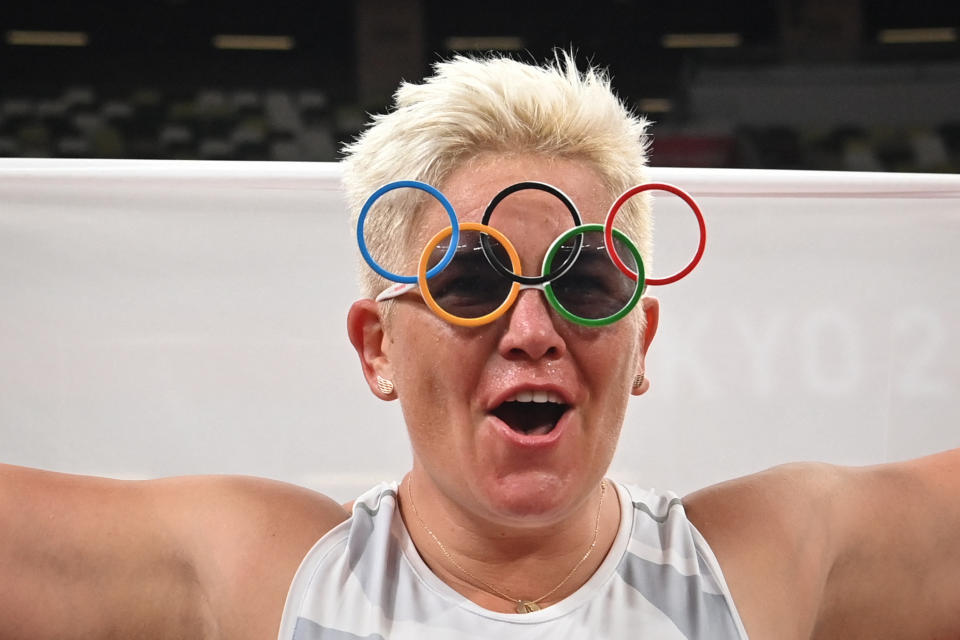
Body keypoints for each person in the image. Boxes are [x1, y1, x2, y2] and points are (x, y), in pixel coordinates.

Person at [1, 53, 958, 640]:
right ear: (377, 347)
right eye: (470, 283)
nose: (533, 331)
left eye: (585, 285)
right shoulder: (259, 574)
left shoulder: (762, 565)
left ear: (640, 341)